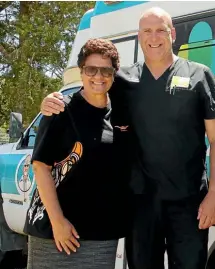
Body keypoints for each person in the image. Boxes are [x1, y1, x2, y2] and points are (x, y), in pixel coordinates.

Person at [40, 7, 215, 269]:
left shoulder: (199, 75)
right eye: (147, 31)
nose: (154, 37)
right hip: (140, 203)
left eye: (160, 30)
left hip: (189, 203)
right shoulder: (122, 80)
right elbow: (90, 93)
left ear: (172, 33)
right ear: (139, 36)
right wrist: (52, 101)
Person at [25, 38, 132, 269]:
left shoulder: (121, 117)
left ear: (114, 74)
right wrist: (58, 222)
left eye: (106, 70)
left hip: (101, 234)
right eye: (91, 69)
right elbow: (40, 167)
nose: (98, 76)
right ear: (81, 72)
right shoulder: (60, 110)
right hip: (54, 232)